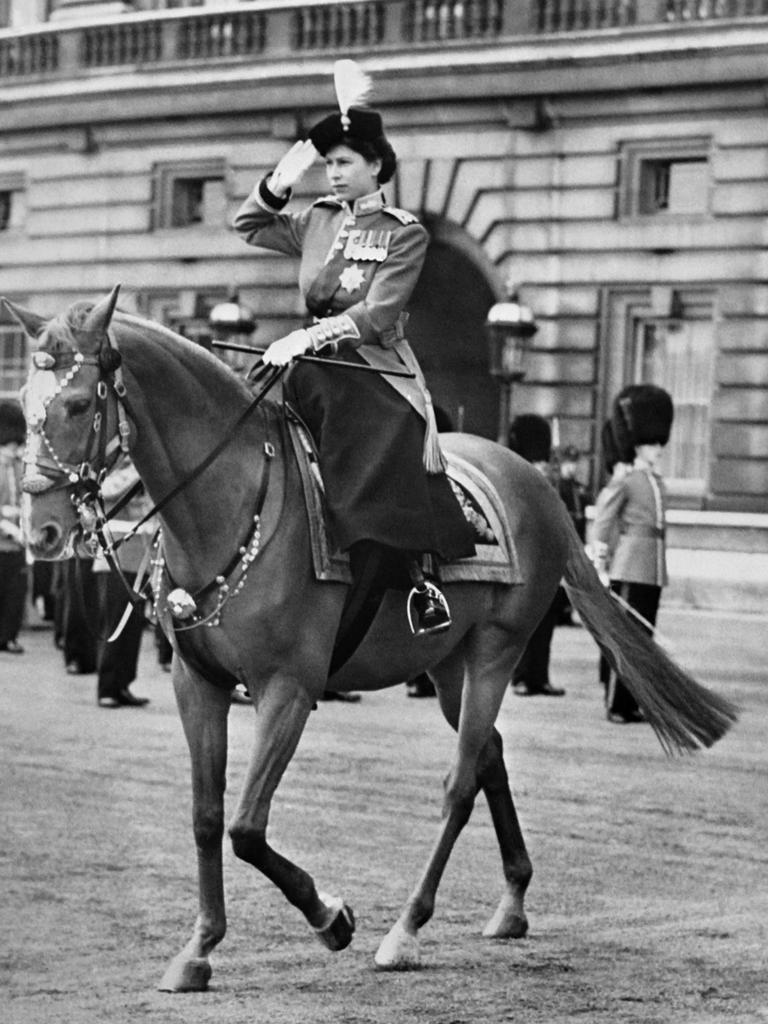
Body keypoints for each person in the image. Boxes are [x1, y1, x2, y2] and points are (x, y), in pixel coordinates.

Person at [233, 60, 475, 637]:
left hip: (371, 373)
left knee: (376, 477)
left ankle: (418, 578)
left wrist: (308, 336)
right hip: (307, 366)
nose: (333, 174)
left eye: (344, 163)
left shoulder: (403, 231)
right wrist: (287, 170)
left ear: (376, 165)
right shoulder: (317, 220)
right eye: (328, 163)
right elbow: (247, 224)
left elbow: (377, 314)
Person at [592, 384, 674, 724]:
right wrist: (600, 562)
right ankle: (615, 704)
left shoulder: (656, 481)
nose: (657, 448)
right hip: (629, 565)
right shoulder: (625, 481)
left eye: (658, 442)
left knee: (643, 640)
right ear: (637, 444)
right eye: (652, 443)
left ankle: (632, 700)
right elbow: (604, 519)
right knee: (626, 640)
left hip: (652, 567)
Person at [507, 414, 565, 698]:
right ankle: (520, 676)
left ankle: (539, 676)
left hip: (547, 561)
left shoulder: (546, 480)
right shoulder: (518, 479)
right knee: (523, 625)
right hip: (525, 559)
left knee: (546, 624)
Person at [93, 455, 152, 708]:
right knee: (115, 624)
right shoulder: (112, 470)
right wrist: (137, 469)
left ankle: (123, 684)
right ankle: (107, 687)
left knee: (133, 628)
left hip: (140, 556)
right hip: (114, 557)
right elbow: (106, 491)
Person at [0, 401, 28, 655]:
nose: (14, 451)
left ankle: (8, 636)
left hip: (16, 541)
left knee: (15, 594)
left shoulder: (19, 467)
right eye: (9, 446)